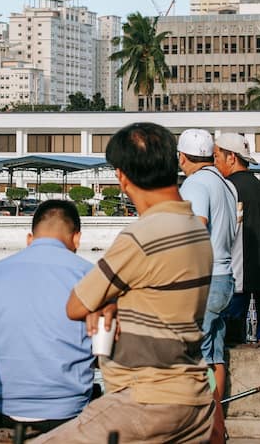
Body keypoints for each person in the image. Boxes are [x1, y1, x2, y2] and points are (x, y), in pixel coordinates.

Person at [36, 122, 214, 443]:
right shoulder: (194, 228)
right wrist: (115, 302)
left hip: (147, 399)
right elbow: (157, 289)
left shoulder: (143, 234)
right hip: (194, 396)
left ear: (121, 176)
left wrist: (103, 302)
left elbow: (76, 305)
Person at [0, 200, 93, 436]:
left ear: (29, 239)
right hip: (68, 413)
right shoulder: (91, 275)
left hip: (2, 412)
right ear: (77, 238)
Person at [175, 128, 237, 441]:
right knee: (214, 356)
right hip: (225, 278)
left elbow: (197, 229)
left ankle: (203, 426)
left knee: (190, 357)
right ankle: (217, 423)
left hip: (204, 280)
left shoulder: (195, 184)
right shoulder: (226, 185)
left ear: (182, 158)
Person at [213, 132, 260, 345]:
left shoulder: (227, 188)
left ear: (231, 157)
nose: (215, 163)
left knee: (230, 340)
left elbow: (225, 232)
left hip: (236, 278)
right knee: (257, 340)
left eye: (217, 157)